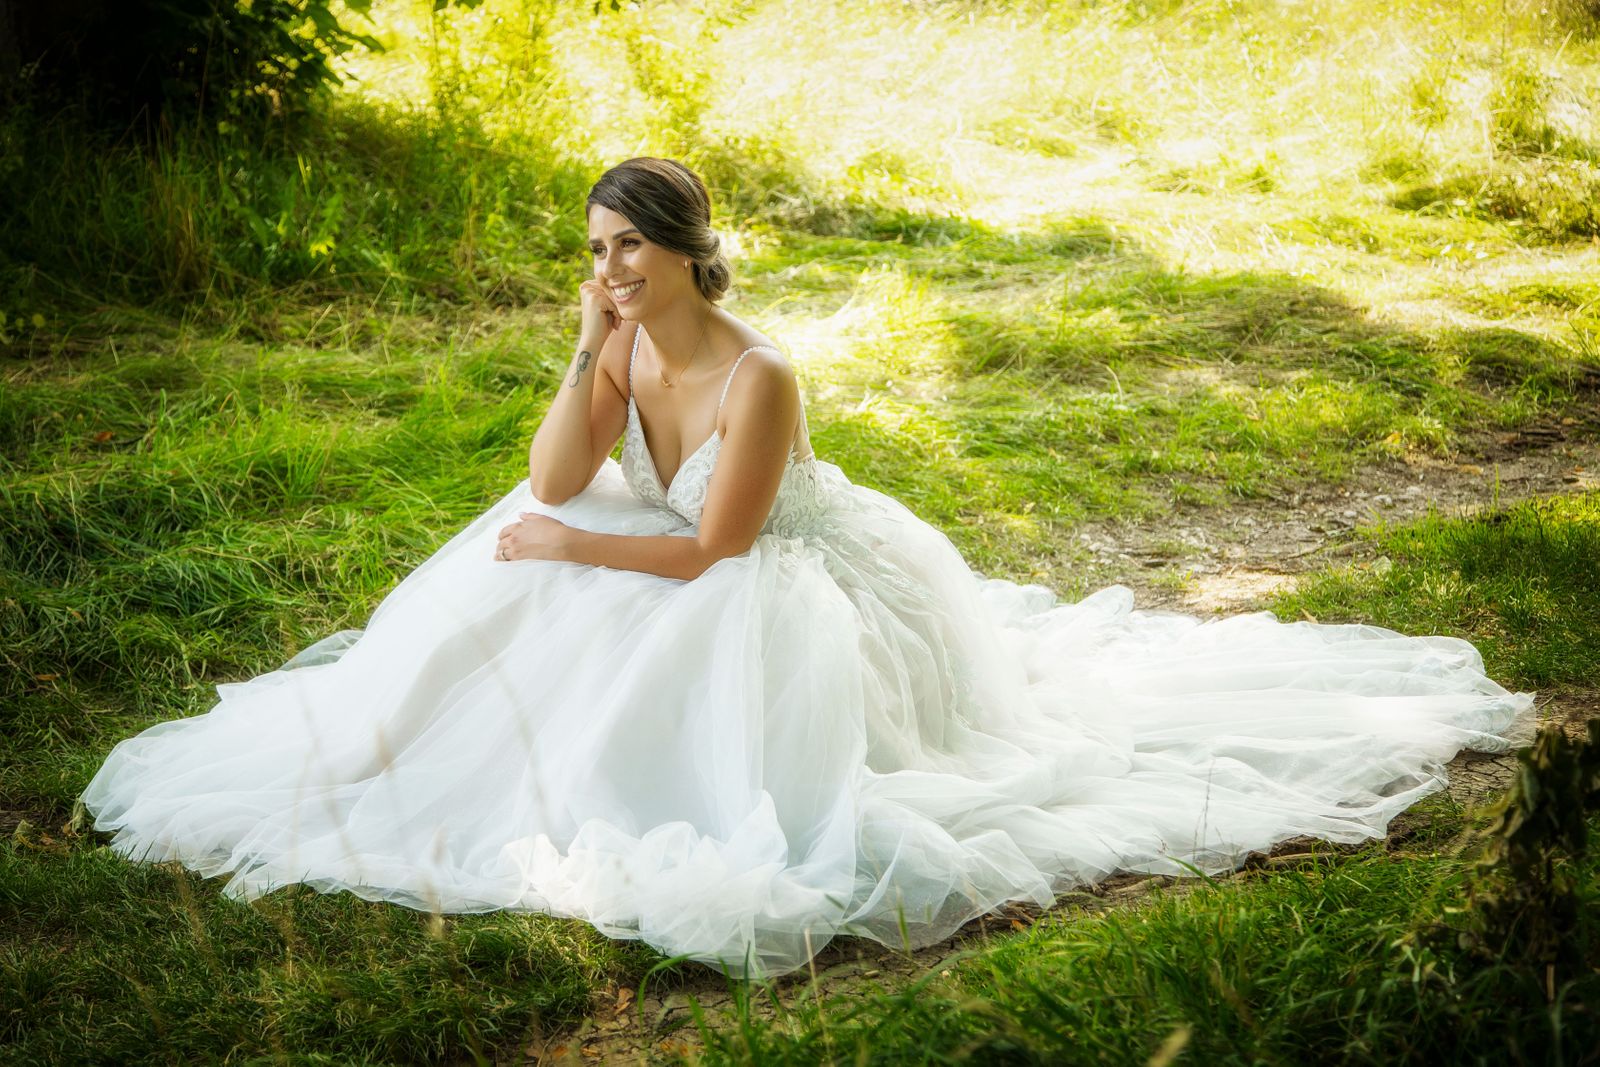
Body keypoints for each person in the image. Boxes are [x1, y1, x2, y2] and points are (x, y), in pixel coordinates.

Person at [80, 157, 1535, 979]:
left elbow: (714, 546)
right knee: (511, 573)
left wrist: (571, 544)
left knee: (631, 599)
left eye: (631, 253)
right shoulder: (621, 337)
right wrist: (587, 353)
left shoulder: (758, 375)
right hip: (661, 545)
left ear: (689, 254)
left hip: (772, 570)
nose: (613, 270)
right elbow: (549, 481)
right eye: (595, 253)